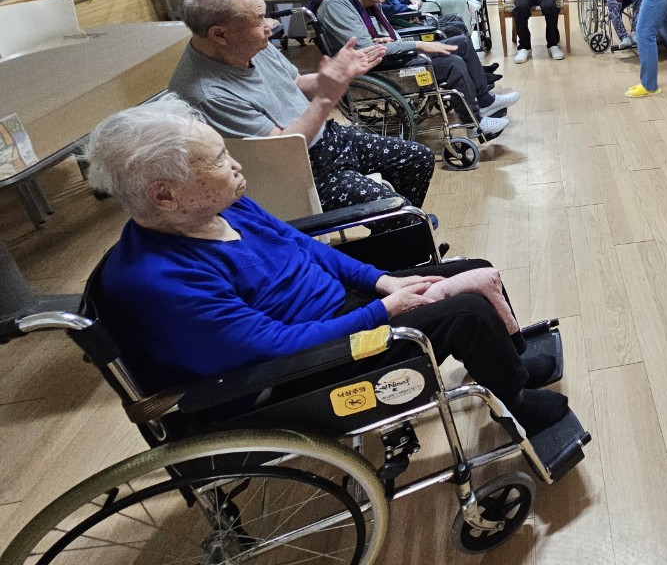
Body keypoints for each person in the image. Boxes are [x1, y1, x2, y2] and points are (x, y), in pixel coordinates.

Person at [85, 101, 570, 434]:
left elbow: (305, 247)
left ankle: (510, 367)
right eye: (217, 159)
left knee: (477, 268)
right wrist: (384, 312)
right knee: (463, 311)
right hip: (301, 365)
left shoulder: (221, 205)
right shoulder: (159, 281)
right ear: (165, 196)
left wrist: (382, 281)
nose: (236, 165)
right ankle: (517, 404)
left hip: (339, 313)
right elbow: (272, 348)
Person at [169, 0, 437, 217]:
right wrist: (326, 98)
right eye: (258, 20)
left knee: (417, 158)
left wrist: (339, 74)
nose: (269, 27)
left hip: (326, 138)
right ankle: (402, 229)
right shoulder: (206, 93)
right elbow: (285, 150)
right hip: (299, 172)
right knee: (396, 211)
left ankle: (400, 234)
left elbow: (296, 83)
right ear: (219, 34)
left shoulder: (250, 44)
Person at [315, 0, 516, 140]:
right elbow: (369, 51)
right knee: (452, 63)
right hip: (380, 68)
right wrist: (419, 45)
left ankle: (484, 101)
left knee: (461, 43)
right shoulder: (337, 6)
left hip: (392, 54)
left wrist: (395, 41)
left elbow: (383, 38)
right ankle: (474, 123)